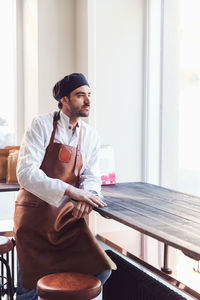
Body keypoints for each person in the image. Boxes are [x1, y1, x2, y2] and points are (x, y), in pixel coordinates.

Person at [14, 73, 116, 299]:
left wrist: (88, 195)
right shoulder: (40, 125)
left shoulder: (90, 135)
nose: (88, 101)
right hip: (33, 219)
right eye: (80, 95)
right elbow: (26, 174)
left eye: (89, 95)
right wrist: (71, 191)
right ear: (64, 100)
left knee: (101, 269)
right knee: (29, 287)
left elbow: (91, 175)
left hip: (66, 218)